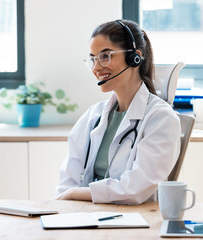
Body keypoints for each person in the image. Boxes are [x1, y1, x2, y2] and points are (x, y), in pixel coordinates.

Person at [55, 19, 181, 205]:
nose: (96, 68)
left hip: (134, 222)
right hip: (87, 216)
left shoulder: (161, 118)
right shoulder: (93, 116)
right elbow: (67, 181)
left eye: (106, 56)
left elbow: (135, 189)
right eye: (93, 59)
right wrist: (68, 202)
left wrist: (77, 194)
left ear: (134, 58)